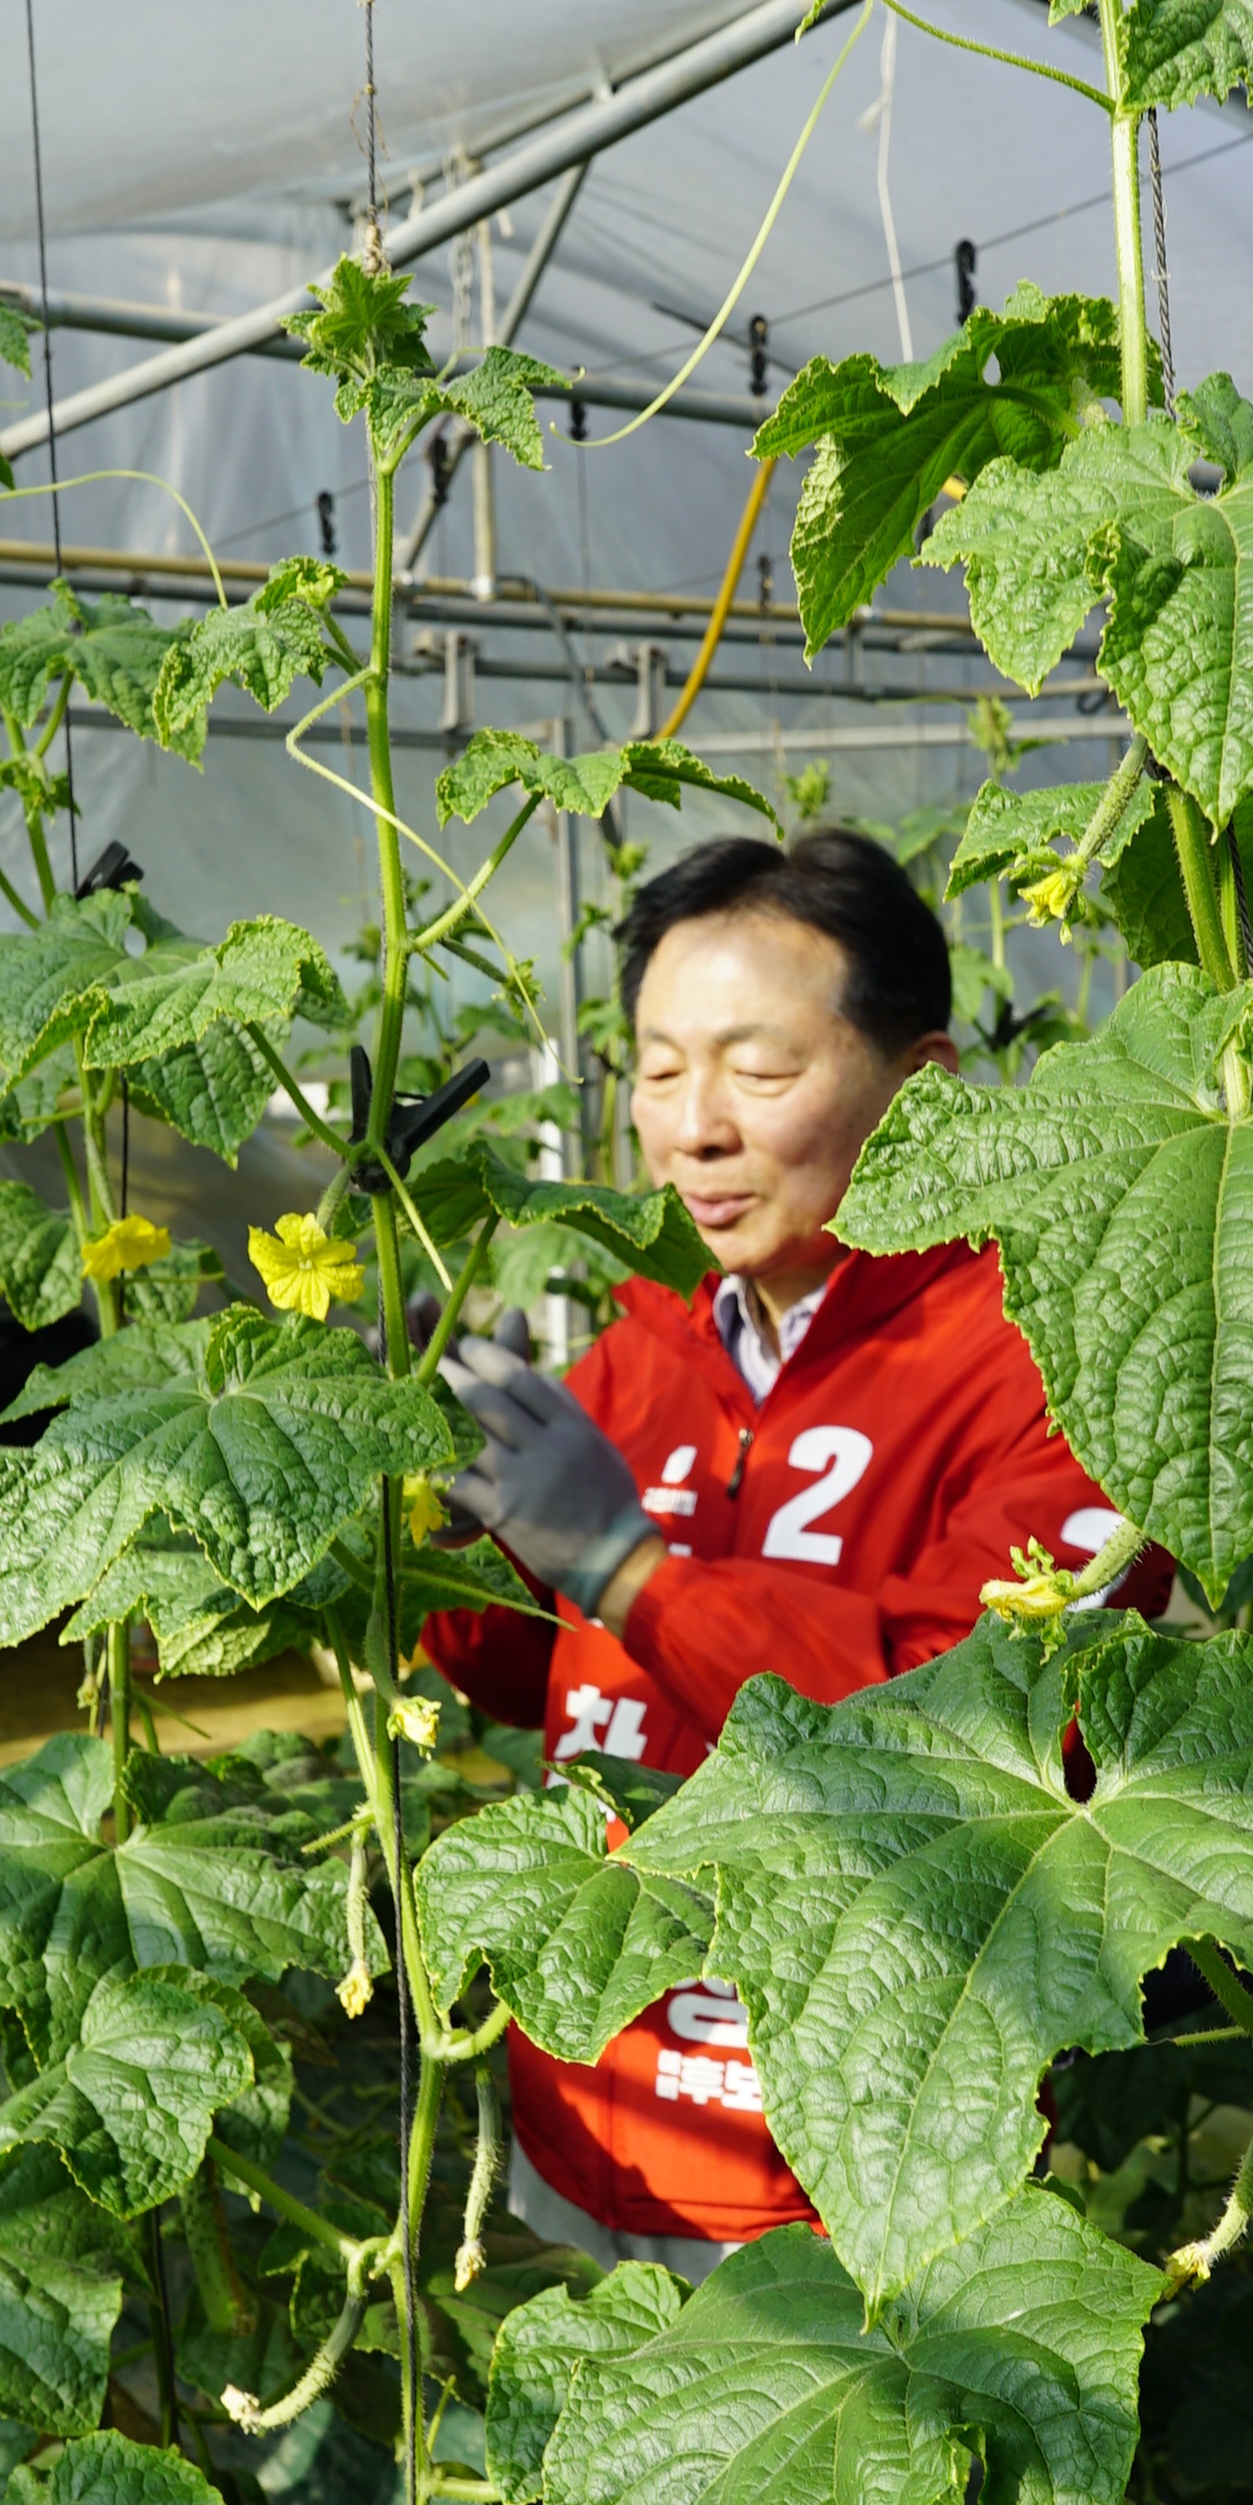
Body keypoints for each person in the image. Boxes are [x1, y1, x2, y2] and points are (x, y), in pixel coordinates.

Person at [422, 827, 1163, 2276]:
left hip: (851, 2185)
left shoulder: (1060, 1361)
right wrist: (450, 1544)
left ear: (923, 1088)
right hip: (584, 2119)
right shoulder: (648, 1339)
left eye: (759, 1072)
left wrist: (631, 1568)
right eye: (656, 1066)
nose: (694, 1125)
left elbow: (967, 1725)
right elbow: (538, 1682)